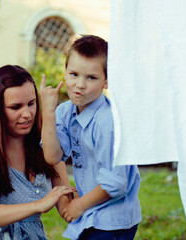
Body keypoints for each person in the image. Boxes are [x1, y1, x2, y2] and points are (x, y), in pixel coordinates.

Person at [39, 35, 142, 240]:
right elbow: (52, 157)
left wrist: (79, 205)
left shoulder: (107, 124)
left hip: (112, 219)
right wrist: (48, 113)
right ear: (65, 72)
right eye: (74, 74)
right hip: (91, 213)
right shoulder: (65, 111)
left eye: (91, 78)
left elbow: (116, 182)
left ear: (106, 80)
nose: (79, 85)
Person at [0, 65, 75, 239]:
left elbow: (68, 209)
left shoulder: (48, 147)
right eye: (15, 107)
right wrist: (38, 205)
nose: (27, 114)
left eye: (31, 103)